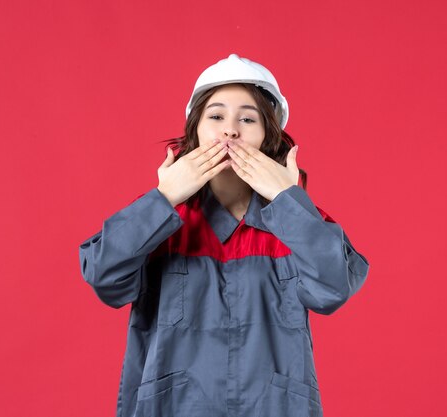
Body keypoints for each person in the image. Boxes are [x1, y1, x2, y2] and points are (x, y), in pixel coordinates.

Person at [78, 53, 370, 417]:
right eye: (216, 116)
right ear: (195, 130)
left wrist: (287, 200)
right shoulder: (161, 218)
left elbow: (334, 288)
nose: (230, 130)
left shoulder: (294, 220)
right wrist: (163, 198)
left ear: (268, 136)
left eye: (247, 119)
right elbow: (105, 278)